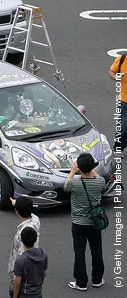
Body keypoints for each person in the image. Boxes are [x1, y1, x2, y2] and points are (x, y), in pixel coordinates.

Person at [63, 152, 107, 291]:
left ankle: (81, 282)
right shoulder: (100, 181)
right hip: (95, 223)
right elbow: (102, 184)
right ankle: (97, 279)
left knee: (79, 252)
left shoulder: (75, 182)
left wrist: (72, 171)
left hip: (79, 223)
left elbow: (65, 187)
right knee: (97, 251)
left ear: (80, 168)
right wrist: (90, 168)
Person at [7, 197, 41, 290]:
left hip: (21, 275)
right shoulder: (36, 220)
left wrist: (15, 279)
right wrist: (16, 203)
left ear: (17, 211)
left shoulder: (22, 233)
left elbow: (22, 256)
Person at [11, 228, 47, 298]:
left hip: (25, 294)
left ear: (22, 240)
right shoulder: (43, 254)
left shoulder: (20, 260)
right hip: (38, 292)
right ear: (36, 239)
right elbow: (44, 273)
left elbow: (17, 283)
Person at [110, 52, 126, 150]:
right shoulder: (122, 59)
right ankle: (119, 147)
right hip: (124, 100)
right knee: (123, 127)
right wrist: (116, 77)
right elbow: (112, 71)